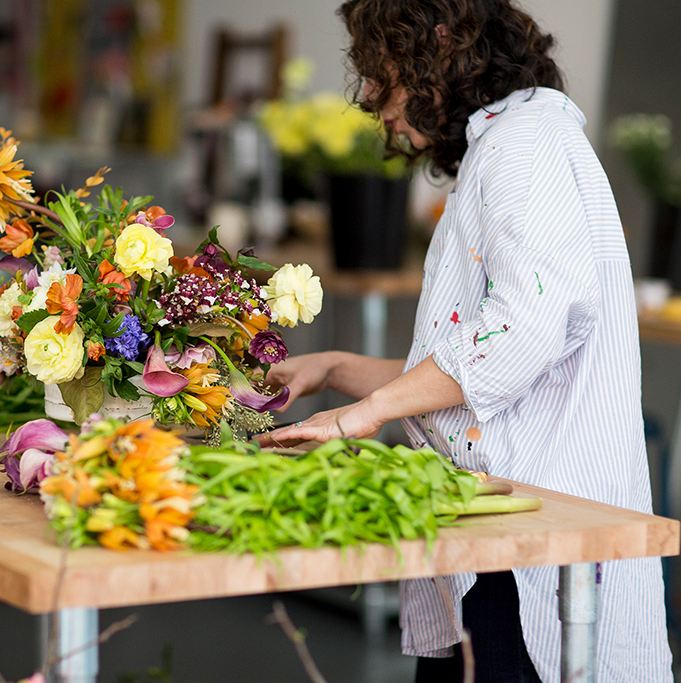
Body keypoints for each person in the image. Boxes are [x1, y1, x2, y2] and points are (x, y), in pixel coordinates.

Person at [258, 1, 673, 681]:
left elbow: (519, 332)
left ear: (442, 39)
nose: (368, 93)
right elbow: (476, 375)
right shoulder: (505, 145)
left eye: (377, 65)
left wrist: (366, 414)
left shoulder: (526, 145)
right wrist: (334, 367)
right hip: (502, 541)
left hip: (531, 548)